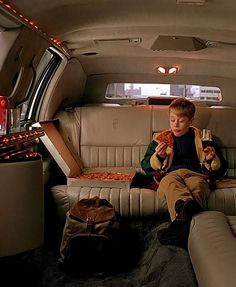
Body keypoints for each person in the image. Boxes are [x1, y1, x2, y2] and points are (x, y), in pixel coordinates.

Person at [141, 98, 228, 248]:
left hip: (195, 174)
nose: (175, 124)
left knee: (198, 186)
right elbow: (145, 164)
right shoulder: (161, 140)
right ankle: (189, 225)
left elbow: (221, 167)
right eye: (172, 120)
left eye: (181, 121)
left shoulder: (204, 139)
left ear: (191, 121)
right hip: (170, 175)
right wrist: (159, 157)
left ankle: (180, 226)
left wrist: (211, 158)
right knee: (172, 185)